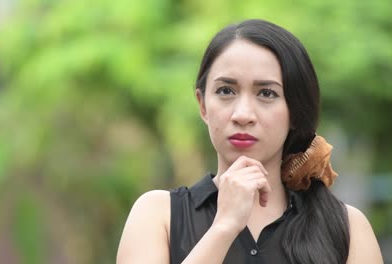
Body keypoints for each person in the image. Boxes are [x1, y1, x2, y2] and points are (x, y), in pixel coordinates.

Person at [116, 19, 383, 263]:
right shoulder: (157, 215)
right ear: (203, 105)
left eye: (267, 93)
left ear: (294, 110)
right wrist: (224, 227)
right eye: (225, 91)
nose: (243, 114)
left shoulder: (348, 229)